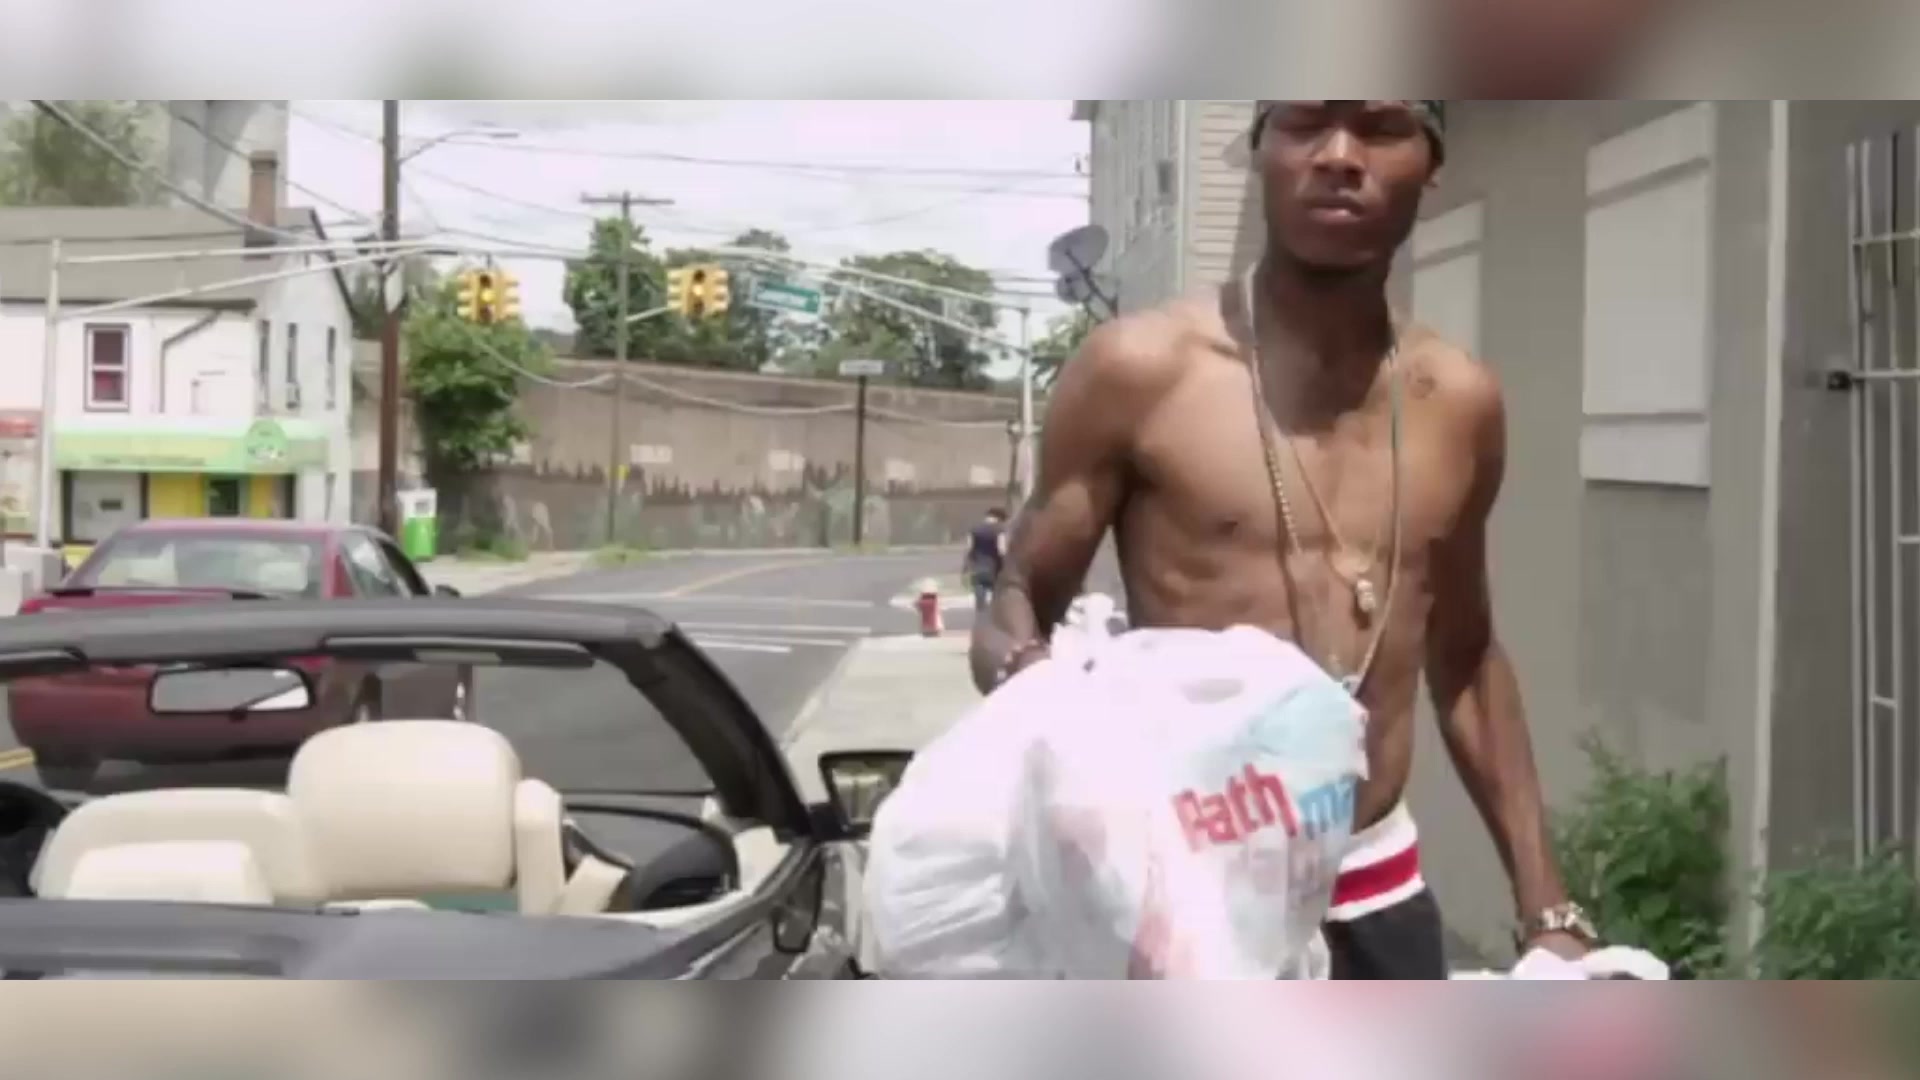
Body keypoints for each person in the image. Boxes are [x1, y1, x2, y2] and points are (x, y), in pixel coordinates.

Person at [970, 100, 1592, 979]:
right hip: (1186, 897)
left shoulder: (1459, 402)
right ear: (1259, 149)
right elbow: (1015, 601)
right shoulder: (1141, 370)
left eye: (1379, 128)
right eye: (1305, 124)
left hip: (1377, 888)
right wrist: (1049, 709)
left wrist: (1549, 910)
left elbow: (1466, 657)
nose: (1339, 156)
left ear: (1433, 162)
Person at [963, 507, 1009, 612]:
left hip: (977, 570)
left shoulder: (974, 529)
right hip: (995, 570)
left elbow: (969, 548)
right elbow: (1001, 549)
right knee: (998, 599)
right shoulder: (999, 530)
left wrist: (966, 566)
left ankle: (981, 618)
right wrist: (1007, 565)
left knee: (980, 604)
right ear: (999, 518)